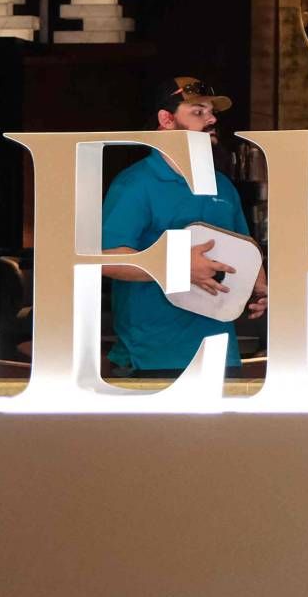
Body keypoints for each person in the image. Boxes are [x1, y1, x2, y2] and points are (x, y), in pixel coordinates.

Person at [100, 76, 265, 375]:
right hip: (152, 356)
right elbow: (105, 260)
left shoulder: (222, 185)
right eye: (198, 112)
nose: (212, 120)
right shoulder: (135, 183)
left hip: (220, 354)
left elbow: (245, 250)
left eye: (212, 112)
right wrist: (176, 265)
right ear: (166, 119)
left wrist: (258, 287)